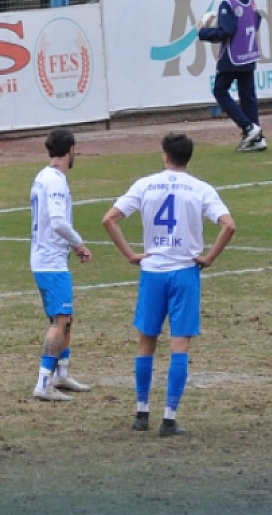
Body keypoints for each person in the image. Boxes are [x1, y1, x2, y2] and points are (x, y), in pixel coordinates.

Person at [101, 133, 236, 437]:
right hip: (184, 272)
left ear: (165, 155)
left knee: (146, 341)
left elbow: (109, 219)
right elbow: (229, 225)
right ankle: (169, 418)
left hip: (153, 272)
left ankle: (141, 413)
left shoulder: (146, 185)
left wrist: (130, 255)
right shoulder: (201, 188)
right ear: (189, 157)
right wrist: (210, 257)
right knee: (180, 344)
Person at [30, 128, 93, 403]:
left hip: (45, 258)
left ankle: (61, 374)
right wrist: (79, 243)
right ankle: (44, 382)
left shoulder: (43, 177)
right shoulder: (55, 181)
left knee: (65, 319)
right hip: (51, 261)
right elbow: (57, 220)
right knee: (60, 321)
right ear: (71, 150)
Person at [197, 0, 266, 153]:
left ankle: (249, 128)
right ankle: (257, 137)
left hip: (232, 56)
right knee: (248, 95)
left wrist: (203, 31)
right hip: (249, 53)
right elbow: (257, 20)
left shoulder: (227, 2)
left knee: (220, 91)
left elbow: (226, 31)